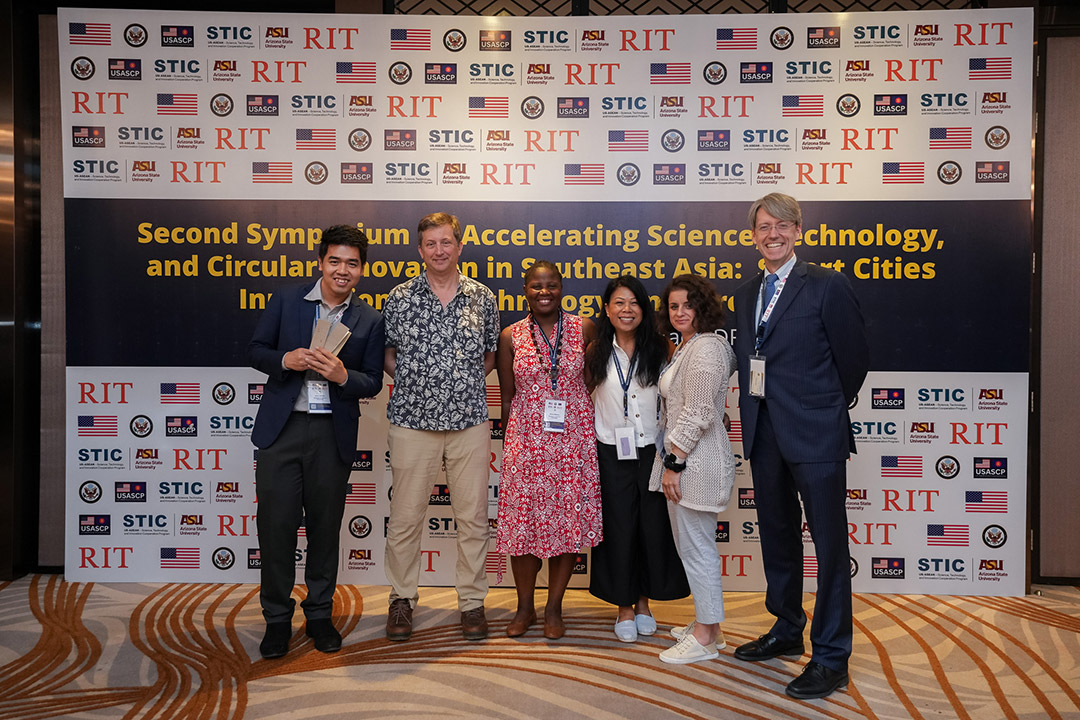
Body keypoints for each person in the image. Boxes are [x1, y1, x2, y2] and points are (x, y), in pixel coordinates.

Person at [733, 193, 869, 699]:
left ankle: (832, 658)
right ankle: (787, 628)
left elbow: (853, 359)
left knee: (830, 547)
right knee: (777, 536)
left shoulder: (827, 285)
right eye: (763, 226)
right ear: (753, 235)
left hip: (815, 432)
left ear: (798, 229)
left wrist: (821, 407)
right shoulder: (747, 294)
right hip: (763, 430)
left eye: (781, 225)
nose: (772, 234)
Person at [248, 225, 385, 659]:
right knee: (276, 528)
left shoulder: (369, 319)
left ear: (362, 269)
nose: (343, 270)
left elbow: (373, 381)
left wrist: (343, 376)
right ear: (320, 262)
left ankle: (320, 614)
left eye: (352, 263)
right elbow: (254, 350)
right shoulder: (287, 301)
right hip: (282, 429)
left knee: (325, 529)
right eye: (335, 261)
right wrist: (285, 360)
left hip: (331, 432)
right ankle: (276, 619)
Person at [383, 212, 500, 642]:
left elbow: (489, 357)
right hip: (413, 421)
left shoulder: (482, 297)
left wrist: (458, 385)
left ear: (459, 245)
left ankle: (471, 602)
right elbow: (388, 355)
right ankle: (401, 599)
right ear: (420, 250)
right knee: (406, 518)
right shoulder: (399, 297)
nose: (439, 250)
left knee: (472, 518)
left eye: (446, 242)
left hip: (468, 421)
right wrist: (421, 385)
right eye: (430, 244)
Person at [496, 261, 601, 640]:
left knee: (567, 524)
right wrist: (512, 447)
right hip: (526, 439)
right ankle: (525, 607)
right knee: (522, 527)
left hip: (573, 440)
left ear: (562, 287)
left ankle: (554, 607)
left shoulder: (584, 327)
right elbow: (508, 398)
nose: (545, 292)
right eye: (536, 285)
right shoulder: (510, 335)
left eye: (552, 285)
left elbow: (593, 381)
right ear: (524, 289)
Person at [586, 275, 690, 643]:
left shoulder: (661, 348)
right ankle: (624, 607)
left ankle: (644, 603)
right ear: (607, 309)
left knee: (651, 527)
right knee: (618, 529)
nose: (626, 310)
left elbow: (679, 397)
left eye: (634, 303)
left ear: (644, 309)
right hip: (609, 451)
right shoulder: (594, 350)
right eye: (619, 303)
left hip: (652, 451)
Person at [648, 274, 737, 665]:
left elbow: (698, 412)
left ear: (702, 307)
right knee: (694, 547)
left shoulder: (706, 349)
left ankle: (704, 637)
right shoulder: (688, 346)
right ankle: (709, 626)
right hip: (690, 461)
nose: (680, 312)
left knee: (697, 549)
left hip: (694, 463)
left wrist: (675, 462)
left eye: (688, 305)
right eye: (673, 306)